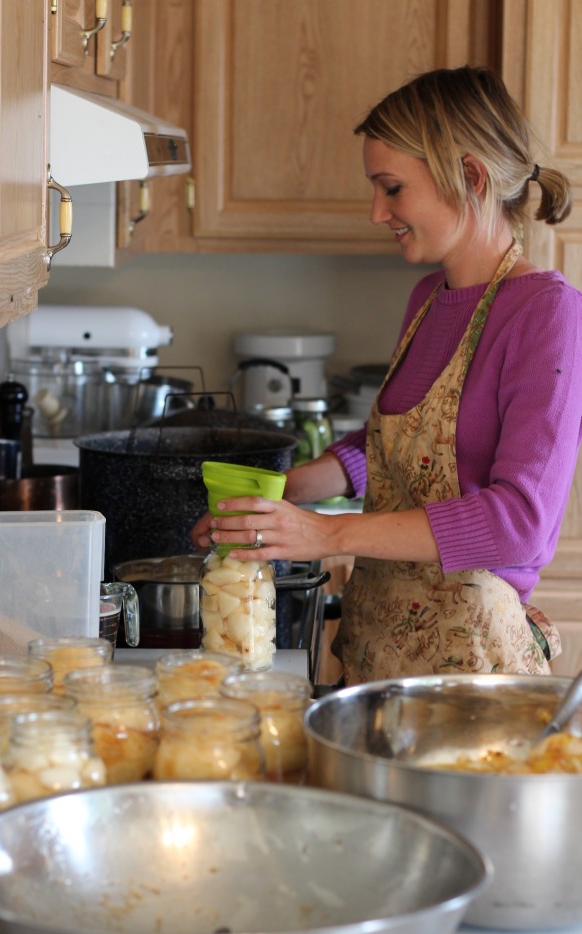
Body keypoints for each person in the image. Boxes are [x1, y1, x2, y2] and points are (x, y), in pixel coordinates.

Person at [191, 65, 582, 684]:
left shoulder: (545, 312)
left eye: (392, 188)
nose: (377, 212)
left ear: (472, 177)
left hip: (470, 673)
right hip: (379, 654)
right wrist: (278, 500)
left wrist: (328, 535)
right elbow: (389, 450)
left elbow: (522, 526)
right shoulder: (428, 297)